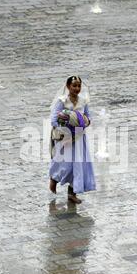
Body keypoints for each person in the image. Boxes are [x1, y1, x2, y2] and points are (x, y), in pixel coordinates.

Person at [49, 75, 96, 203]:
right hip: (65, 137)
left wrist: (84, 121)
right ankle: (54, 178)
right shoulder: (62, 101)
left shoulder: (83, 101)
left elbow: (88, 117)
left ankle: (72, 193)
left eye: (79, 86)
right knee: (64, 164)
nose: (76, 88)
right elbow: (54, 119)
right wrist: (64, 128)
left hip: (79, 139)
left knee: (78, 165)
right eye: (74, 85)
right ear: (68, 86)